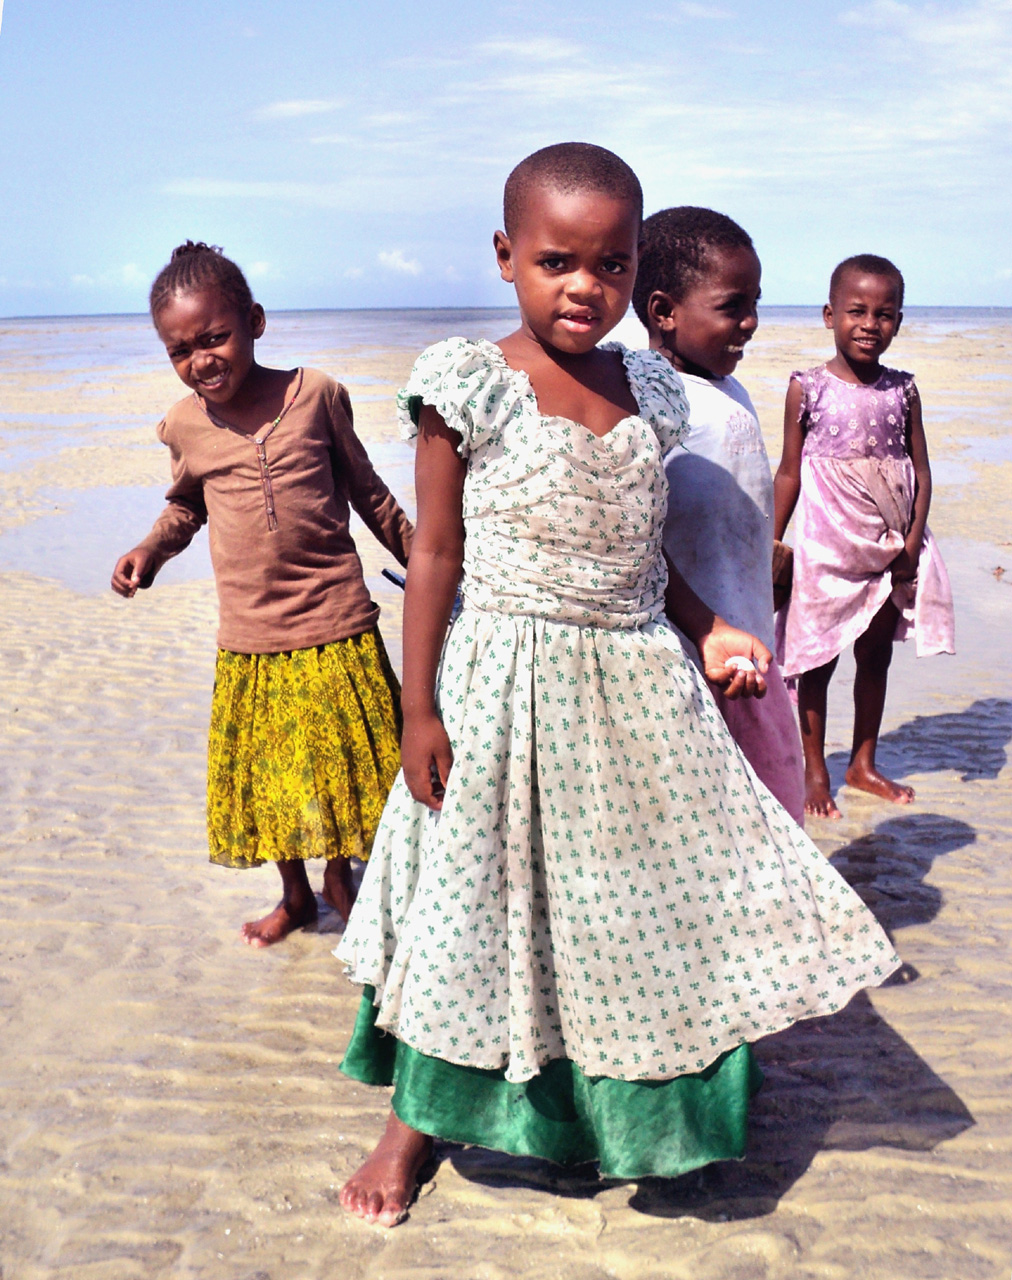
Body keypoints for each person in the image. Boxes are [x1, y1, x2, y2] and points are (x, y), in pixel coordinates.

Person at [335, 145, 901, 1227]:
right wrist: (419, 708)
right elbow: (438, 554)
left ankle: (635, 1117)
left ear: (634, 267)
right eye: (555, 261)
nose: (581, 287)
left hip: (638, 684)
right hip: (504, 678)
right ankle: (408, 1130)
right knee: (473, 904)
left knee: (634, 903)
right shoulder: (465, 383)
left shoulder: (648, 386)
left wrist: (709, 625)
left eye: (608, 263)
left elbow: (648, 555)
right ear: (506, 257)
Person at [111, 242, 413, 945]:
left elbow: (371, 495)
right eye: (180, 350)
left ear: (255, 321)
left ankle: (343, 875)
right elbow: (187, 506)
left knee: (348, 769)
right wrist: (149, 552)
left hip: (336, 619)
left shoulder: (316, 395)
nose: (201, 361)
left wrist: (426, 561)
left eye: (214, 338)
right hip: (252, 638)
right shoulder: (186, 425)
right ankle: (297, 895)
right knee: (272, 780)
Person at [633, 205, 805, 825]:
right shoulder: (646, 408)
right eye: (733, 306)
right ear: (664, 312)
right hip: (694, 664)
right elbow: (635, 537)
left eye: (756, 302)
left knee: (771, 813)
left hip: (752, 650)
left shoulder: (730, 390)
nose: (752, 323)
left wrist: (769, 561)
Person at [773, 254, 955, 819]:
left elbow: (922, 475)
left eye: (885, 314)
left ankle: (863, 763)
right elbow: (789, 472)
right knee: (816, 662)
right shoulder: (807, 388)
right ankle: (814, 768)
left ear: (899, 322)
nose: (869, 324)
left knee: (874, 656)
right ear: (829, 315)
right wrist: (770, 545)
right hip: (828, 552)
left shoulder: (904, 390)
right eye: (856, 311)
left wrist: (910, 544)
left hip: (888, 548)